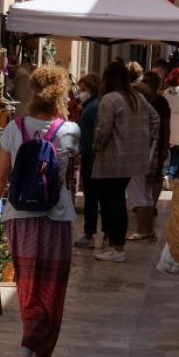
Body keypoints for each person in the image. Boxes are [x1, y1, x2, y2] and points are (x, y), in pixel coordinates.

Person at [0, 65, 80, 357]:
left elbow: (0, 178)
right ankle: (30, 352)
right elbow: (71, 181)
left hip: (19, 218)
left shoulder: (15, 128)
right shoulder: (70, 131)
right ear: (62, 94)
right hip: (57, 218)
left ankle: (30, 351)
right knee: (51, 288)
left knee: (28, 287)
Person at [90, 60, 160, 263]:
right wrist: (143, 142)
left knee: (113, 202)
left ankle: (117, 248)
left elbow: (103, 130)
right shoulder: (136, 96)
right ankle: (115, 245)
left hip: (112, 159)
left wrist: (96, 147)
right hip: (131, 159)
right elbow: (154, 118)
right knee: (118, 200)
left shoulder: (110, 99)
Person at [129, 71, 171, 240]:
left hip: (145, 153)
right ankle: (147, 230)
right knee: (145, 193)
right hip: (147, 152)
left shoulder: (155, 105)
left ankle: (143, 229)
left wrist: (164, 146)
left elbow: (163, 128)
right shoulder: (147, 108)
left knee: (142, 192)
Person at [74, 73, 102, 249]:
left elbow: (86, 135)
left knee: (91, 196)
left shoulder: (91, 108)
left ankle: (89, 233)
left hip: (91, 156)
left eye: (83, 89)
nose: (80, 92)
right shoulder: (96, 105)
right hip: (98, 156)